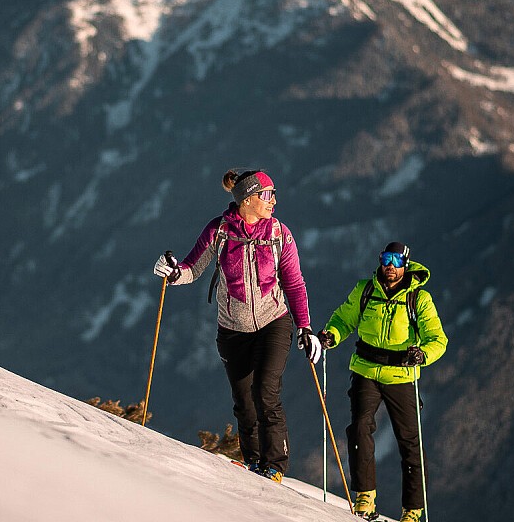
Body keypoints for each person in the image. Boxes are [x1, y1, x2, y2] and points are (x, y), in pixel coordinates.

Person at [152, 168, 321, 483]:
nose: (274, 201)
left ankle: (275, 466)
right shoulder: (218, 231)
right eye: (268, 195)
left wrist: (305, 327)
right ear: (249, 198)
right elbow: (192, 267)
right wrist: (173, 273)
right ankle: (254, 464)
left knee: (265, 391)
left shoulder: (279, 234)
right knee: (244, 402)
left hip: (275, 322)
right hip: (232, 331)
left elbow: (295, 284)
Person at [317, 242, 448, 522]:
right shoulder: (366, 290)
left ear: (406, 264)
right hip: (366, 370)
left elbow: (438, 339)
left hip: (401, 375)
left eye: (396, 260)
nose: (390, 265)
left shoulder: (418, 299)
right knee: (359, 428)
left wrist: (422, 354)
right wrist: (331, 335)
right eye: (386, 259)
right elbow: (343, 319)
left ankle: (412, 511)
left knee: (409, 442)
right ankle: (365, 496)